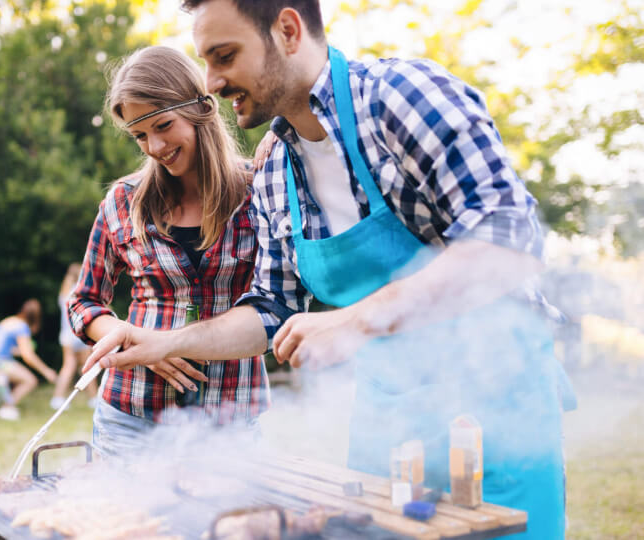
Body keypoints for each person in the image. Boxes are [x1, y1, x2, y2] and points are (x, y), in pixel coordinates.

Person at [83, 1, 575, 538]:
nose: (212, 82)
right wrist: (164, 343)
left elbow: (506, 235)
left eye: (225, 56)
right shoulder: (272, 169)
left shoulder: (400, 97)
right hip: (387, 417)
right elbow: (269, 311)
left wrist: (358, 319)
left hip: (493, 414)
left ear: (288, 31)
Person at [68, 46, 269, 456]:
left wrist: (173, 343)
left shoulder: (259, 191)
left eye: (162, 125)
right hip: (131, 419)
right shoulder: (123, 201)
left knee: (228, 523)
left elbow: (275, 302)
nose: (154, 147)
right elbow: (83, 302)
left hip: (230, 419)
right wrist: (134, 342)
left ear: (200, 108)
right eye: (140, 135)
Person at [0, 299, 57, 421]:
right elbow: (28, 356)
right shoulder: (22, 327)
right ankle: (7, 406)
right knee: (30, 380)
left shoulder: (10, 320)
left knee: (15, 376)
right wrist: (46, 371)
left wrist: (20, 351)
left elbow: (2, 348)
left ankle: (4, 403)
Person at [51, 263, 98, 410]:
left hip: (66, 335)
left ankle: (58, 398)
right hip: (79, 334)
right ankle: (94, 399)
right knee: (87, 367)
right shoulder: (80, 293)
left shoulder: (64, 293)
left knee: (69, 367)